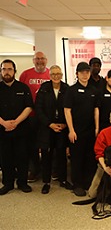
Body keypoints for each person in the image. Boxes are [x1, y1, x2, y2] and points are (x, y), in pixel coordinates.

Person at [35, 65, 73, 194]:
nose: (56, 76)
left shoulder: (67, 88)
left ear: (62, 75)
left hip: (62, 127)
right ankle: (46, 182)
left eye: (58, 74)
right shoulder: (44, 89)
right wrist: (49, 124)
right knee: (46, 155)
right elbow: (38, 109)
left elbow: (70, 109)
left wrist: (65, 124)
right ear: (49, 76)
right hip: (47, 127)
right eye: (53, 74)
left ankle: (62, 180)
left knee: (62, 155)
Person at [64, 62, 100, 196]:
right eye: (82, 72)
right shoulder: (71, 90)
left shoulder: (94, 90)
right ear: (77, 74)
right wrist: (71, 130)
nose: (85, 74)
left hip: (90, 130)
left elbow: (96, 110)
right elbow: (67, 110)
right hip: (76, 131)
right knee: (77, 158)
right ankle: (77, 184)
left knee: (90, 157)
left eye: (87, 72)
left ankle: (87, 182)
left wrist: (97, 127)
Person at [0, 59, 34, 195]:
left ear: (15, 71)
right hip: (2, 129)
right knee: (5, 157)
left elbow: (29, 107)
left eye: (9, 69)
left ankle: (22, 182)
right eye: (4, 69)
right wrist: (4, 123)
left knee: (22, 156)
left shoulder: (23, 88)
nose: (6, 72)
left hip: (21, 129)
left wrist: (16, 122)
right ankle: (8, 183)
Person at [19, 52, 50, 182]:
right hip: (30, 116)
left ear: (46, 60)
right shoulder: (25, 74)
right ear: (33, 60)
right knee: (31, 144)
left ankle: (46, 170)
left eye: (42, 58)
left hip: (46, 116)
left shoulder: (51, 74)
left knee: (45, 144)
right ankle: (34, 170)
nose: (40, 61)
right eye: (37, 59)